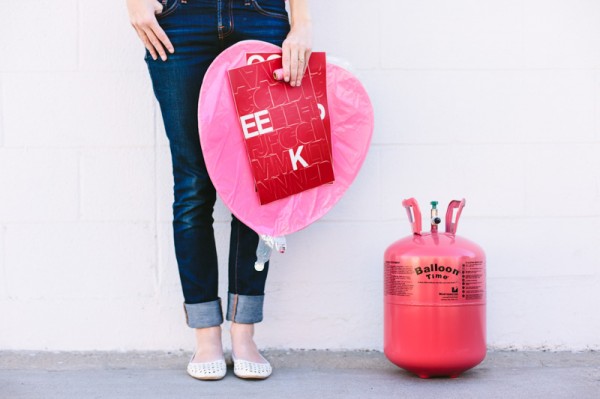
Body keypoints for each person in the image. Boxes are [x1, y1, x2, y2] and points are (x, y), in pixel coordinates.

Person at [126, 0, 312, 381]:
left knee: (260, 181)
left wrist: (303, 21)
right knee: (193, 184)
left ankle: (244, 333)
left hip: (259, 15)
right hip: (179, 19)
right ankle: (206, 336)